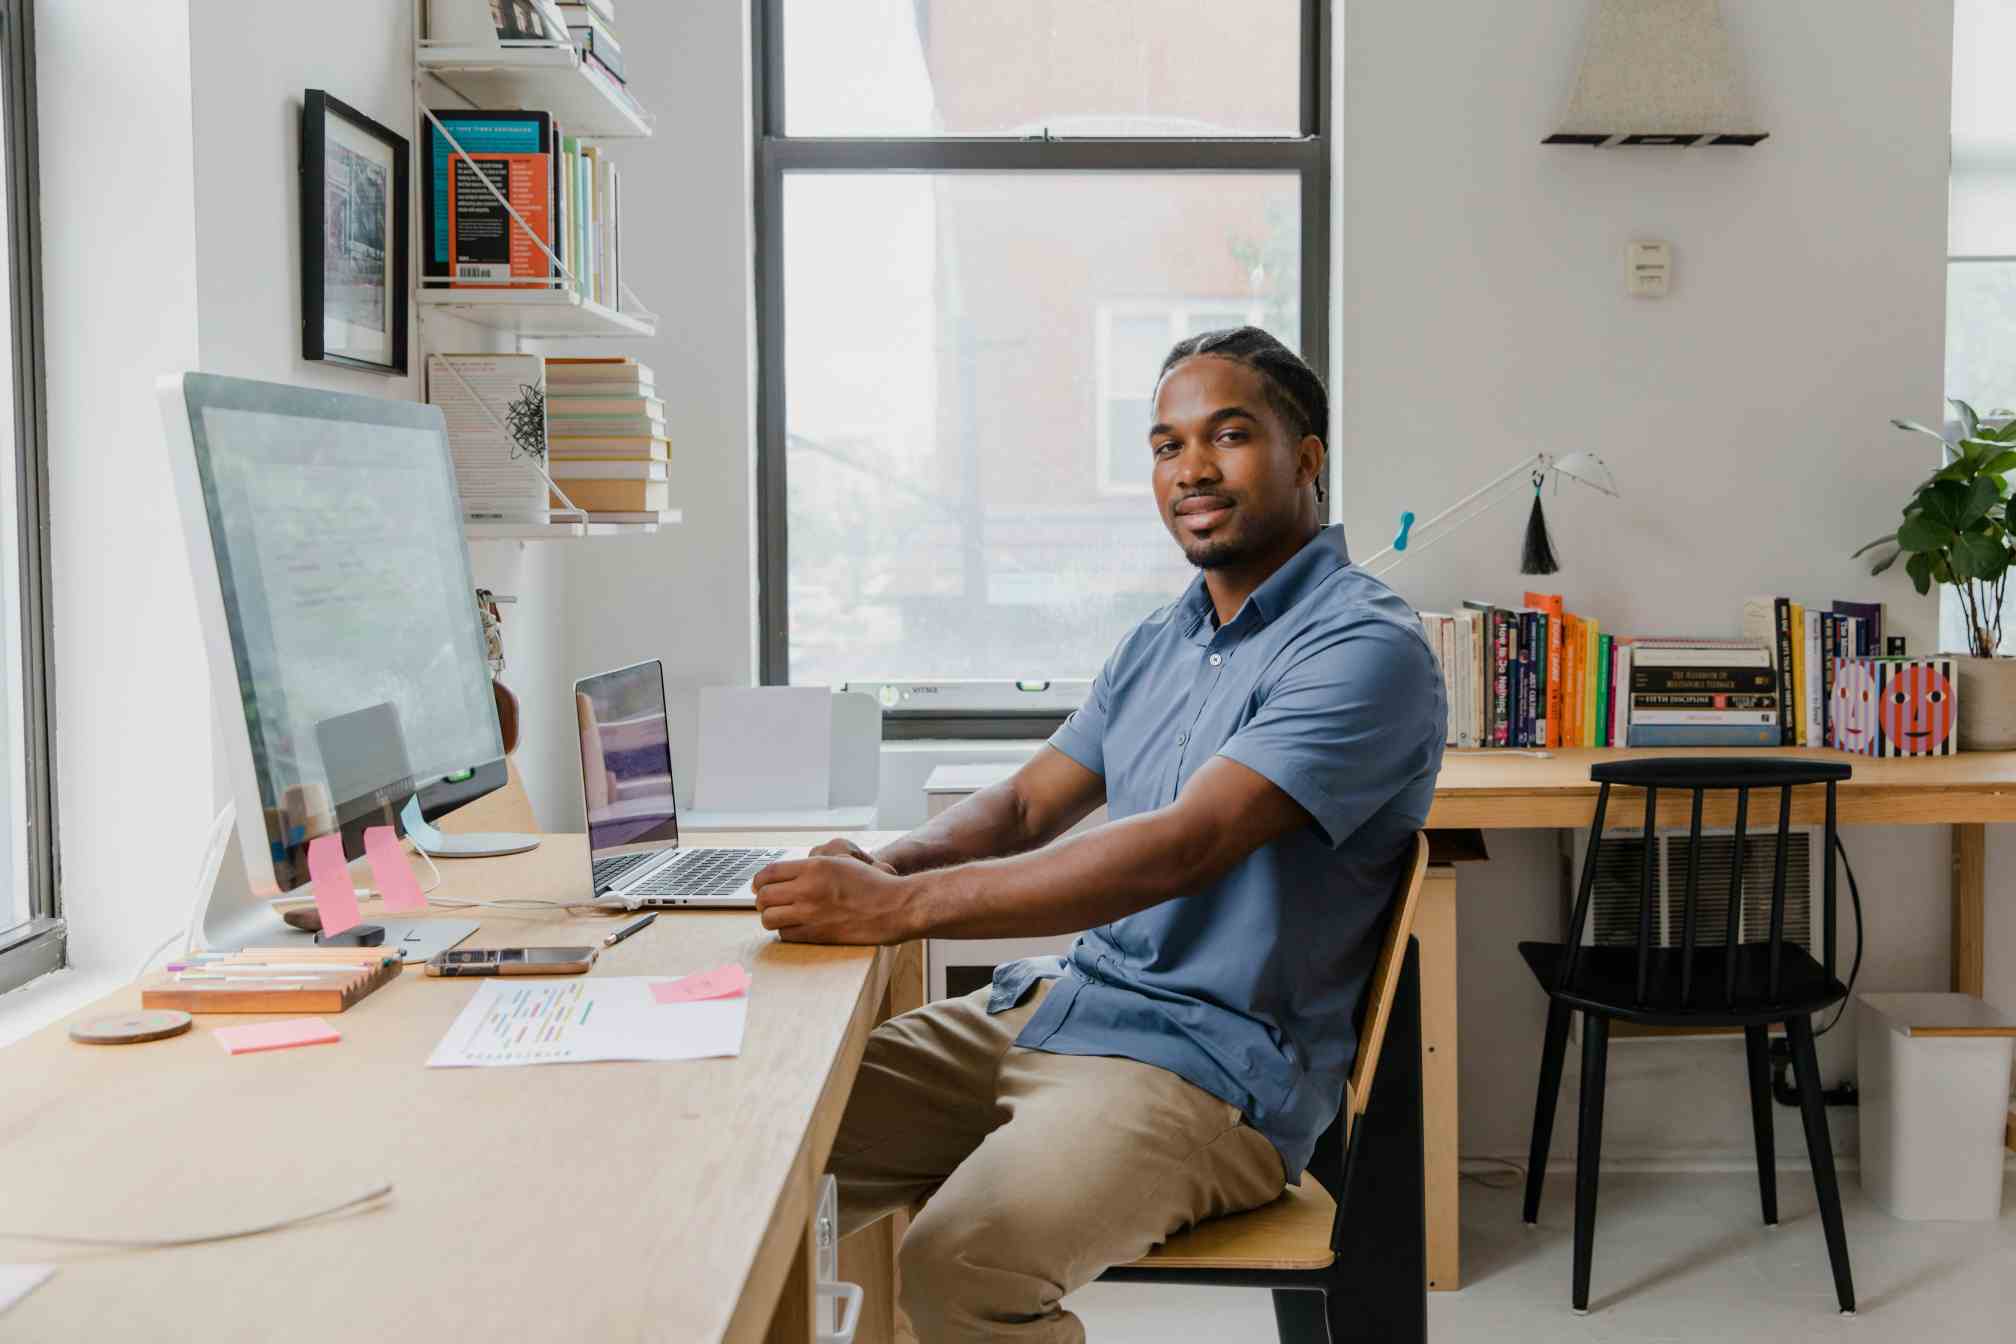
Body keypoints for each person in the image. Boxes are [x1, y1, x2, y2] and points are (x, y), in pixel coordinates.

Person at [752, 327, 1447, 1343]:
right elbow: (1028, 805)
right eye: (1167, 446)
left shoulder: (1364, 649)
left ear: (1308, 459)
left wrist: (899, 909)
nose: (1192, 469)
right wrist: (885, 862)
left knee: (958, 1267)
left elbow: (1182, 846)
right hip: (1054, 1009)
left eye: (1230, 435)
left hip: (1200, 1075)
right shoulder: (1164, 639)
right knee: (759, 1151)